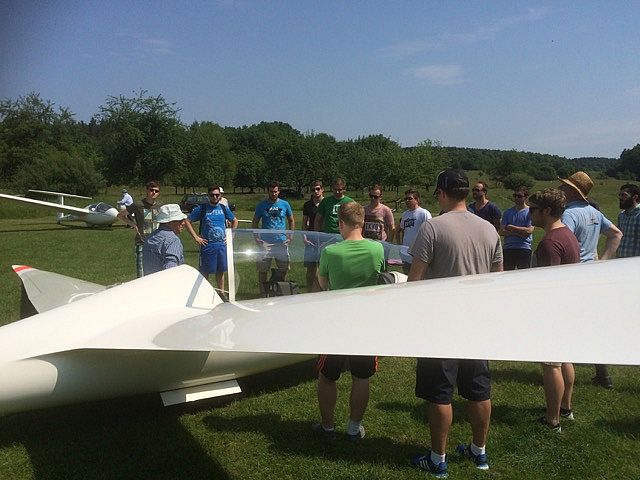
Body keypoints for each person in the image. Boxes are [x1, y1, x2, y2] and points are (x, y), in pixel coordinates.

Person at [408, 169, 502, 477]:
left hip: (441, 323)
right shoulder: (489, 229)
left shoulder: (432, 227)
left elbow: (415, 281)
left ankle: (438, 458)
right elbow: (498, 279)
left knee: (440, 392)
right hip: (477, 322)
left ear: (442, 193)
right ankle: (479, 451)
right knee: (479, 389)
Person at [313, 201, 385, 441]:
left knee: (327, 376)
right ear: (362, 222)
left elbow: (323, 282)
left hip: (336, 322)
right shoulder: (377, 249)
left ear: (341, 223)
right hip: (366, 322)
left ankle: (328, 427)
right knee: (361, 376)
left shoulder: (330, 252)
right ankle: (354, 429)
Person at [558, 171, 623, 389]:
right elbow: (616, 234)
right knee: (592, 324)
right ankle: (602, 373)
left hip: (572, 276)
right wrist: (602, 262)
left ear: (572, 191)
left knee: (566, 323)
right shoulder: (594, 212)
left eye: (564, 187)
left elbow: (563, 243)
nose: (561, 190)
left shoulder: (569, 214)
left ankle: (562, 373)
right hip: (591, 276)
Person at [528, 188, 580, 432]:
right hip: (568, 308)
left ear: (546, 211)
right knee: (565, 359)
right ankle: (566, 408)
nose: (530, 214)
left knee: (551, 365)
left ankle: (552, 420)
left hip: (554, 311)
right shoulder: (567, 234)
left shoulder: (550, 243)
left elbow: (548, 285)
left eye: (533, 209)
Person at [185, 184, 238, 293]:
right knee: (205, 272)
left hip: (221, 245)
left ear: (220, 195)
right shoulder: (202, 208)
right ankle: (205, 293)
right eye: (212, 195)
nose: (215, 197)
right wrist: (196, 237)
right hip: (207, 245)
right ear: (208, 195)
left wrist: (231, 236)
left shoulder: (223, 208)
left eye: (217, 195)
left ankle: (221, 293)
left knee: (221, 271)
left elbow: (234, 221)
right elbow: (187, 221)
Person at [252, 182, 295, 296]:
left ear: (279, 191)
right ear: (268, 192)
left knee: (283, 268)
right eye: (271, 191)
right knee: (263, 269)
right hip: (265, 242)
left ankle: (281, 291)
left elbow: (291, 220)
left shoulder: (285, 204)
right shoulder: (261, 205)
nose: (273, 194)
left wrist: (290, 236)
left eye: (275, 191)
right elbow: (255, 221)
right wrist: (257, 238)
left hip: (281, 241)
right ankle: (263, 293)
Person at [117, 180, 163, 278]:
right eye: (151, 190)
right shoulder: (138, 205)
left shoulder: (160, 206)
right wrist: (133, 224)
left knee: (156, 274)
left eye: (156, 191)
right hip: (142, 243)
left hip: (157, 244)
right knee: (141, 275)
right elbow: (120, 215)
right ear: (147, 190)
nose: (154, 192)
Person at [142, 204, 187, 275]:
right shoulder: (172, 240)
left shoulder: (151, 237)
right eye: (180, 220)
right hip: (166, 281)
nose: (183, 223)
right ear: (169, 222)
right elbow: (171, 268)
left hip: (150, 280)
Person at [397, 189, 432, 274]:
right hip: (406, 251)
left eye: (410, 198)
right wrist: (400, 246)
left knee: (419, 276)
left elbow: (430, 232)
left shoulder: (424, 213)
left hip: (419, 252)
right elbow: (401, 230)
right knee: (406, 274)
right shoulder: (405, 214)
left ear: (417, 199)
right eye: (405, 199)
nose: (407, 201)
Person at [499, 186, 534, 270]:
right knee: (507, 274)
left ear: (526, 197)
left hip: (524, 248)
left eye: (519, 196)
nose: (516, 198)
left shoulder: (530, 212)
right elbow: (501, 231)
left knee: (524, 274)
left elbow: (529, 231)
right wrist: (519, 233)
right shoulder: (507, 212)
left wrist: (511, 227)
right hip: (508, 248)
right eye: (515, 195)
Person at [302, 180, 324, 290]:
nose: (315, 191)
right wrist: (304, 237)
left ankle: (323, 291)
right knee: (310, 268)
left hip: (324, 239)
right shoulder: (307, 205)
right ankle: (309, 290)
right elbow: (304, 222)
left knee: (323, 268)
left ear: (322, 189)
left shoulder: (327, 203)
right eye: (313, 189)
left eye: (318, 189)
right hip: (310, 238)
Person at [617, 183, 640, 258]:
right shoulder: (621, 215)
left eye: (624, 195)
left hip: (636, 263)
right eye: (620, 195)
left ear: (635, 197)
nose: (620, 198)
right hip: (621, 261)